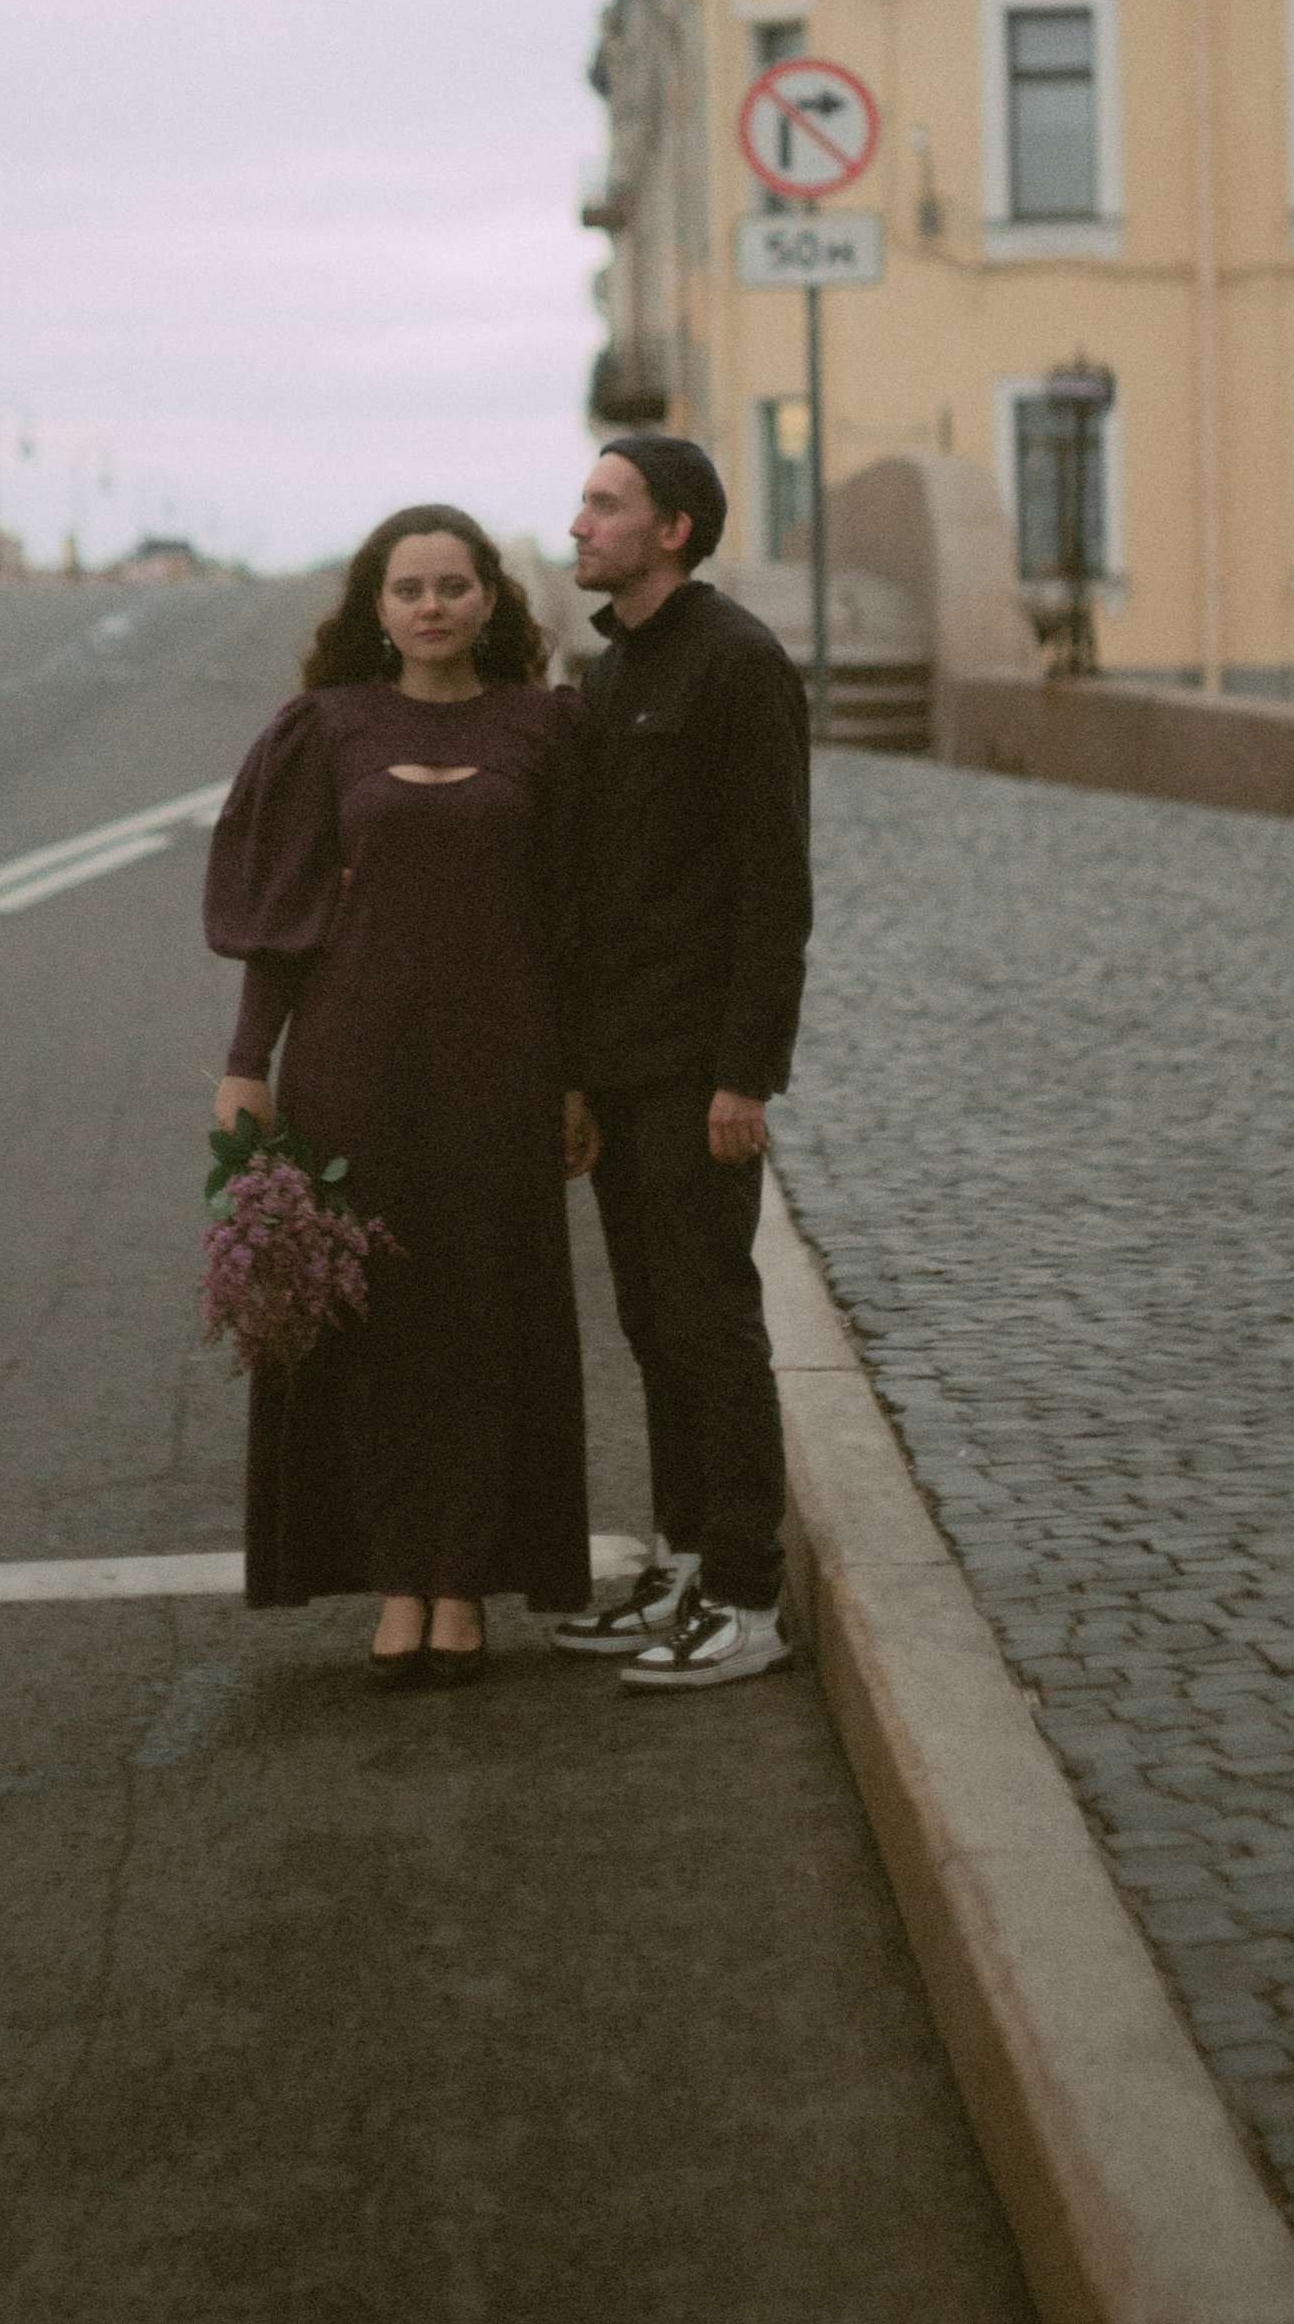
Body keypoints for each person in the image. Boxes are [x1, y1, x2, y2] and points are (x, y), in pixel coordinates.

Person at [203, 506, 597, 1689]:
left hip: (501, 1068)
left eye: (454, 585)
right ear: (375, 607)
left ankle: (463, 1581)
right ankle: (392, 1579)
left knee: (484, 1321)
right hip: (352, 1069)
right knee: (369, 1326)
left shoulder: (549, 728)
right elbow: (281, 920)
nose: (432, 605)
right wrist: (244, 1064)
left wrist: (579, 1075)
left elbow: (573, 922)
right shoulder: (322, 731)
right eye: (408, 587)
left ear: (492, 601)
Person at [552, 434, 812, 1692]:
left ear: (675, 527)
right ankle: (685, 1552)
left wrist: (745, 1074)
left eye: (605, 504)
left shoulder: (738, 664)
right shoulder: (609, 674)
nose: (579, 521)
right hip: (619, 1056)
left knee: (712, 1320)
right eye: (584, 501)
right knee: (654, 1322)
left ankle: (749, 1594)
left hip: (698, 1066)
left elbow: (775, 889)